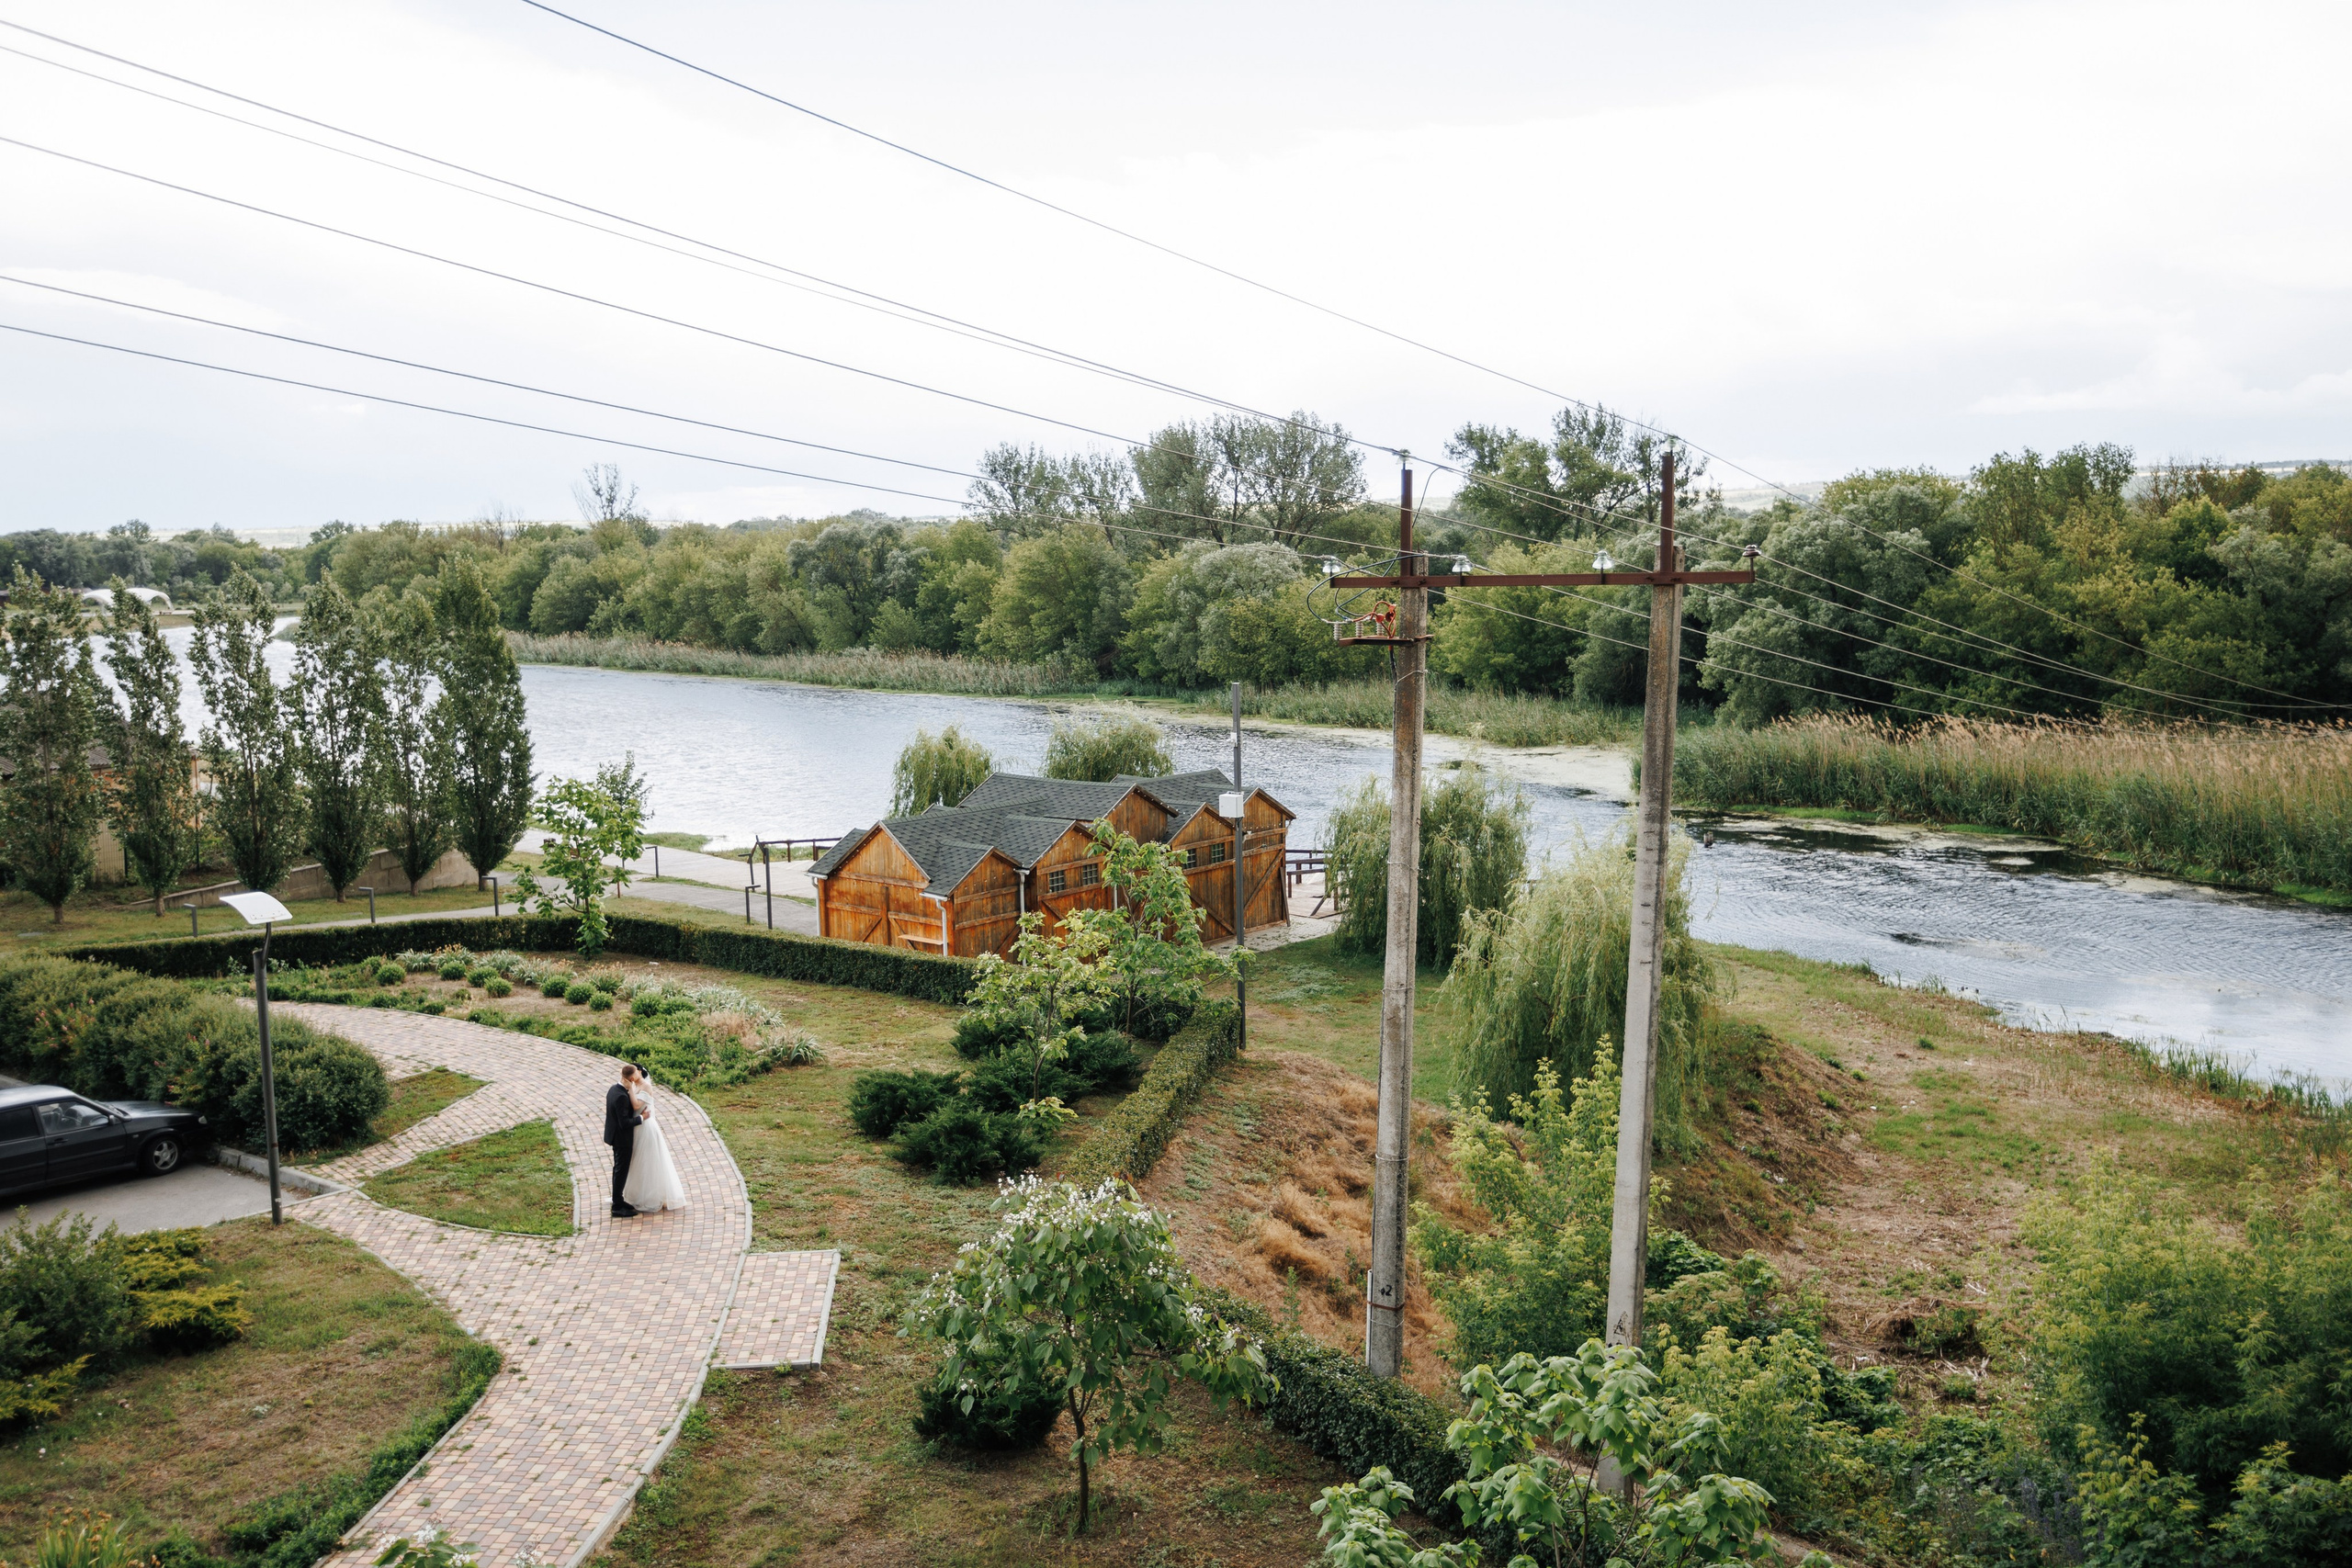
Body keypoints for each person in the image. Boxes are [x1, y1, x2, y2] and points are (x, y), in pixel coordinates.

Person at [621, 1065, 689, 1213]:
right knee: (637, 1160)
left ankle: (651, 1196)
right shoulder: (635, 1084)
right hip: (637, 1127)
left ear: (637, 1074)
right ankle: (637, 1194)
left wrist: (630, 1089)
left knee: (648, 1160)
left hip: (646, 1128)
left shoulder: (645, 1086)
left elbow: (636, 1105)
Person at [604, 1064, 643, 1218]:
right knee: (621, 1171)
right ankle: (617, 1207)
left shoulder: (614, 1089)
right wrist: (641, 1118)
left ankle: (618, 1199)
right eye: (637, 1076)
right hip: (621, 1139)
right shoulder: (621, 1096)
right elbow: (624, 1123)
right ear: (632, 1078)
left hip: (615, 1136)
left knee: (618, 1169)